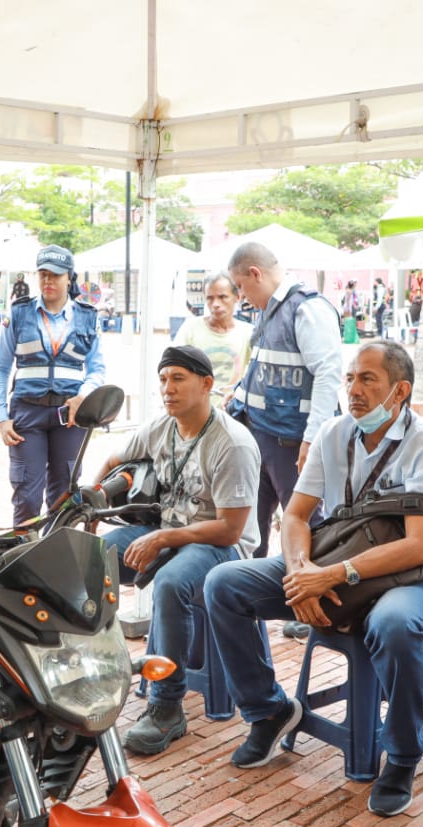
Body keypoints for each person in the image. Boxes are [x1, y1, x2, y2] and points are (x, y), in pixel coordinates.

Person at [205, 340, 423, 816]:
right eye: (350, 378)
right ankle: (268, 711)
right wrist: (301, 573)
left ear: (399, 391)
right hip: (327, 560)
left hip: (396, 576)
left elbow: (419, 546)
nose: (354, 390)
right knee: (224, 584)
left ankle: (401, 755)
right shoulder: (333, 434)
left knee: (396, 628)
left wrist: (331, 576)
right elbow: (296, 516)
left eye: (367, 380)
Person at [96, 345, 260, 756]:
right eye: (163, 379)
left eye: (178, 379)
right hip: (168, 531)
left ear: (206, 385)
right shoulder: (161, 426)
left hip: (222, 547)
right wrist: (88, 500)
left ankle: (167, 707)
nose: (167, 389)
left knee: (170, 584)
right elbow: (114, 457)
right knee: (88, 560)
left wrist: (163, 539)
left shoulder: (231, 444)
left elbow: (230, 528)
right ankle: (90, 675)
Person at [224, 242, 344, 562]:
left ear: (255, 273)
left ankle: (311, 604)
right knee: (252, 530)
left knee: (305, 529)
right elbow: (267, 369)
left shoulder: (308, 309)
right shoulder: (271, 309)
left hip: (291, 444)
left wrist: (311, 439)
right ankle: (251, 605)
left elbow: (328, 376)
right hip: (261, 436)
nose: (241, 296)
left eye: (240, 286)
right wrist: (238, 394)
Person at [0, 245, 106, 525]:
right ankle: (21, 557)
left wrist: (83, 397)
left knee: (64, 495)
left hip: (70, 416)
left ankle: (54, 559)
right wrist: (2, 418)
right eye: (43, 274)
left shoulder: (88, 317)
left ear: (69, 278)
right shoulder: (18, 314)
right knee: (27, 495)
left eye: (55, 275)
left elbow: (97, 369)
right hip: (26, 414)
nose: (48, 281)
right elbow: (1, 368)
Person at [174, 272, 252, 407]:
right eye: (210, 298)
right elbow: (174, 369)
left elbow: (255, 375)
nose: (216, 304)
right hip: (196, 412)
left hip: (231, 413)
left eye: (223, 297)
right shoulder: (190, 328)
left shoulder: (248, 333)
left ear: (237, 297)